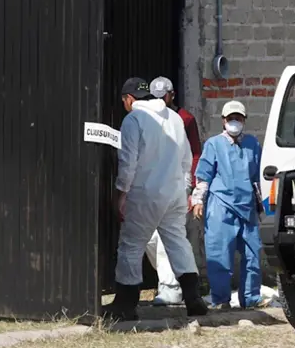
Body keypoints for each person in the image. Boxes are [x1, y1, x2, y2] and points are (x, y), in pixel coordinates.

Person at [102, 77, 208, 321]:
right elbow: (186, 159)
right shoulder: (174, 118)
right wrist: (184, 189)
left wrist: (120, 194)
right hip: (174, 193)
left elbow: (128, 163)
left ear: (129, 99)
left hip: (145, 194)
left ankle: (126, 304)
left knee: (131, 246)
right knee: (178, 242)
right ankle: (193, 298)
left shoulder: (134, 120)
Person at [190, 100, 263, 310]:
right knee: (220, 254)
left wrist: (261, 205)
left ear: (244, 120)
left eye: (238, 118)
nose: (234, 122)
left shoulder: (252, 144)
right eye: (231, 118)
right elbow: (204, 176)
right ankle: (221, 300)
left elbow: (257, 178)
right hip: (221, 206)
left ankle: (250, 300)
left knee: (252, 255)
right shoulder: (214, 144)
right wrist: (198, 200)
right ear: (223, 121)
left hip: (247, 206)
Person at [140, 76, 203, 307]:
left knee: (167, 236)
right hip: (152, 184)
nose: (160, 100)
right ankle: (175, 278)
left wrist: (191, 186)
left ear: (172, 95)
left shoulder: (184, 119)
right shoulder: (147, 118)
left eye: (163, 96)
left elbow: (194, 153)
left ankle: (170, 288)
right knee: (150, 238)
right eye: (155, 96)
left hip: (176, 184)